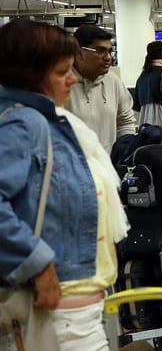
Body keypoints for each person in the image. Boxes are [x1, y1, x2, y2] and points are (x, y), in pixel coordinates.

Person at [0, 19, 129, 350]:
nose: (72, 79)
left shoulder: (50, 121)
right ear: (29, 76)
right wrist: (36, 261)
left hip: (74, 308)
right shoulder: (23, 123)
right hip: (55, 314)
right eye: (61, 73)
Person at [66, 25, 136, 153]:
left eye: (110, 51)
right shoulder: (61, 84)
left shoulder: (113, 81)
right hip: (73, 168)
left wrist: (123, 152)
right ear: (79, 53)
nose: (108, 57)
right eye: (100, 51)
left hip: (109, 167)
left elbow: (125, 121)